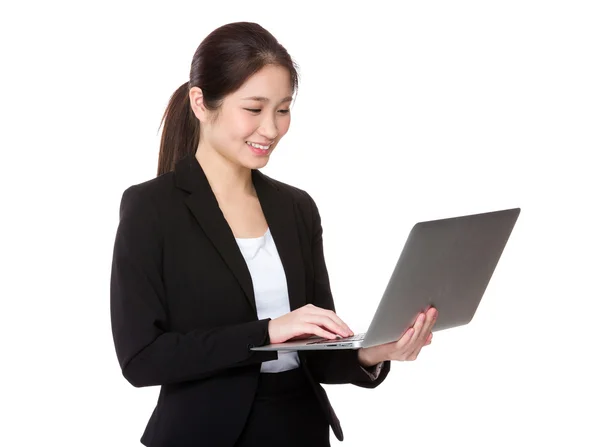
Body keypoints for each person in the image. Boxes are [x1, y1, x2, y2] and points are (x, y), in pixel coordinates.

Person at [110, 21, 437, 447]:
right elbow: (141, 360)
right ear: (200, 103)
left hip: (299, 429)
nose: (271, 128)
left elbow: (314, 353)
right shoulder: (151, 208)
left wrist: (374, 352)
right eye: (254, 108)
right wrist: (266, 331)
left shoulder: (295, 208)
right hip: (203, 435)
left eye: (283, 109)